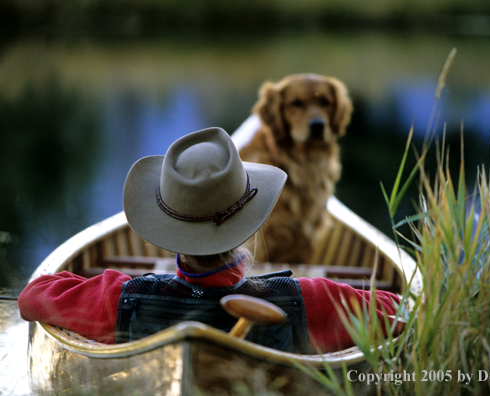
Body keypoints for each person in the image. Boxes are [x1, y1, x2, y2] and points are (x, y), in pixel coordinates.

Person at [18, 127, 405, 353]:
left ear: (168, 229)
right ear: (249, 226)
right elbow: (399, 312)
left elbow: (34, 296)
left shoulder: (120, 298)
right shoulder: (310, 300)